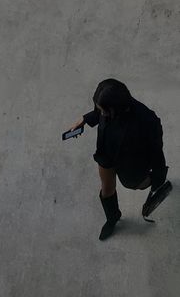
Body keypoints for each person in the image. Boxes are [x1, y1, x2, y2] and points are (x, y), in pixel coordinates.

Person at [68, 78, 171, 241]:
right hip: (106, 153)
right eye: (99, 108)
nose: (101, 113)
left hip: (131, 162)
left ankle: (156, 180)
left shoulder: (147, 120)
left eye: (104, 111)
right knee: (107, 189)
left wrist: (159, 174)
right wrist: (85, 120)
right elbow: (97, 113)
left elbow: (156, 150)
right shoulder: (107, 104)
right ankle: (112, 218)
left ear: (117, 107)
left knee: (134, 184)